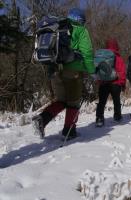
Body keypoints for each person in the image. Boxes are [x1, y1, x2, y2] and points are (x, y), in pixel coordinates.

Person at [32, 8, 95, 140]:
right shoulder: (81, 30)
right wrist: (91, 71)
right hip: (73, 71)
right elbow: (88, 53)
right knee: (74, 102)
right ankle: (69, 131)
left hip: (54, 70)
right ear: (81, 20)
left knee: (62, 100)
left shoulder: (58, 27)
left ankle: (42, 119)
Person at [95, 39, 126, 127]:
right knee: (116, 101)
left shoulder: (102, 56)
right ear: (116, 46)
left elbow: (98, 69)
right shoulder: (118, 57)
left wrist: (99, 80)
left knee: (101, 102)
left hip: (103, 82)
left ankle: (99, 119)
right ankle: (117, 116)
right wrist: (123, 83)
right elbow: (122, 71)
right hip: (115, 83)